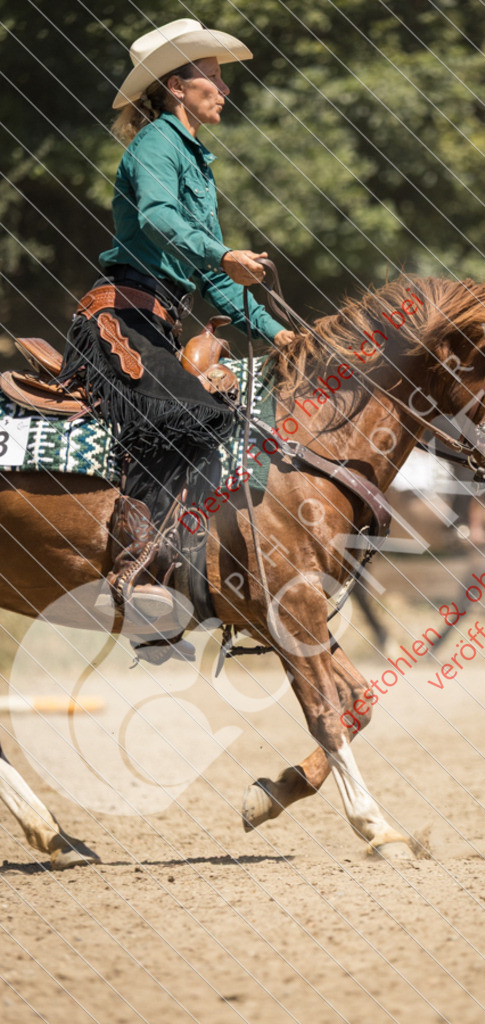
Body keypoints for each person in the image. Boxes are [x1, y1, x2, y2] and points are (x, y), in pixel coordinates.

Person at [60, 18, 294, 621]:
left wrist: (281, 335)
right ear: (175, 86)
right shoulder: (158, 144)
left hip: (157, 321)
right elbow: (163, 219)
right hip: (121, 315)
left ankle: (184, 567)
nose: (223, 89)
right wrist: (223, 253)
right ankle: (136, 573)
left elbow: (215, 280)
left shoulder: (195, 156)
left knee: (216, 413)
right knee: (192, 412)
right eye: (211, 79)